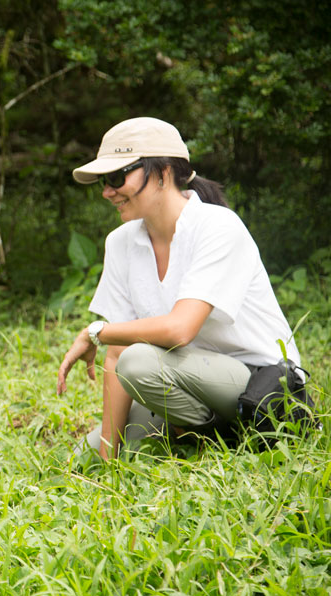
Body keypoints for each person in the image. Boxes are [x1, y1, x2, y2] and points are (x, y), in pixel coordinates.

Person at [56, 117, 301, 460]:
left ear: (162, 173)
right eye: (103, 181)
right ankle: (187, 434)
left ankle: (219, 437)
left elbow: (179, 329)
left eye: (116, 178)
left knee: (139, 360)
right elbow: (115, 353)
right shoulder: (120, 242)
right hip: (184, 379)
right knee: (83, 454)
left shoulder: (217, 227)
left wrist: (95, 331)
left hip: (260, 384)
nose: (106, 191)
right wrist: (107, 459)